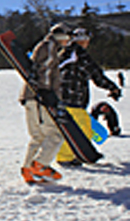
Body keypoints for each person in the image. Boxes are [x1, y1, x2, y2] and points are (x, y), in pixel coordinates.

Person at [56, 28, 122, 166]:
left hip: (63, 97)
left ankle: (76, 154)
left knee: (82, 127)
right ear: (83, 40)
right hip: (72, 98)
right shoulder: (79, 53)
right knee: (78, 129)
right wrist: (113, 88)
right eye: (87, 40)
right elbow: (96, 74)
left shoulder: (64, 53)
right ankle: (66, 157)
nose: (87, 43)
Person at [20, 23, 71, 184]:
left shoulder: (44, 46)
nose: (67, 43)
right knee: (55, 134)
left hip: (30, 96)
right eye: (67, 39)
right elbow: (45, 71)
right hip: (40, 97)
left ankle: (28, 169)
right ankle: (41, 165)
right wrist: (47, 93)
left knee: (38, 136)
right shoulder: (50, 47)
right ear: (61, 37)